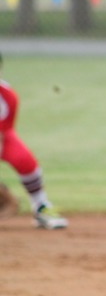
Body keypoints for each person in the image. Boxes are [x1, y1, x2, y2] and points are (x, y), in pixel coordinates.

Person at [0, 53, 68, 229]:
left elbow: (6, 129)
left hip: (2, 136)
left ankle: (40, 207)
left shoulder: (7, 96)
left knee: (25, 161)